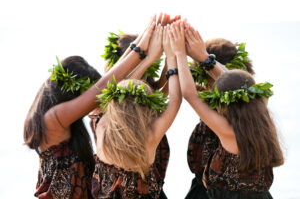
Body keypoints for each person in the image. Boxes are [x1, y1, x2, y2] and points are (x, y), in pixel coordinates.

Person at [24, 15, 156, 199]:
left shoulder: (59, 120)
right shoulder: (52, 118)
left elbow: (108, 88)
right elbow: (102, 90)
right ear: (70, 91)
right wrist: (142, 49)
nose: (93, 104)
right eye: (86, 96)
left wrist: (145, 44)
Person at [168, 21, 284, 199]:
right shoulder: (261, 109)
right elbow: (239, 89)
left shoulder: (227, 130)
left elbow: (190, 94)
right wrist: (205, 58)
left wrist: (178, 53)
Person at [91, 24, 182, 199]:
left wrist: (159, 57)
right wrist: (172, 55)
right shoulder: (150, 132)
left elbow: (163, 90)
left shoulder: (102, 117)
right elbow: (175, 99)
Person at [183, 23, 256, 198]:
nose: (203, 86)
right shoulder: (256, 108)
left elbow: (235, 86)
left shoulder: (249, 108)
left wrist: (203, 58)